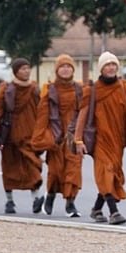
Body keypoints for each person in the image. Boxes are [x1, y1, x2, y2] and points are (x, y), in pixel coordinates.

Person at [73, 51, 126, 225]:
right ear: (101, 69)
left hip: (117, 140)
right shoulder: (91, 90)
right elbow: (82, 117)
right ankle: (114, 212)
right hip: (99, 140)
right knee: (105, 171)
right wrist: (78, 140)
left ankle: (96, 208)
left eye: (113, 64)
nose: (111, 67)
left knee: (114, 174)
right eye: (107, 65)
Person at [0, 57, 44, 214]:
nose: (26, 71)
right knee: (9, 168)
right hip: (10, 136)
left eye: (27, 68)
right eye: (22, 69)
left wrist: (43, 132)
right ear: (16, 72)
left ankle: (36, 199)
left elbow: (42, 111)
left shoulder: (34, 89)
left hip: (29, 136)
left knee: (33, 166)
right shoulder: (7, 90)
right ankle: (9, 201)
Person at [31, 53, 85, 217]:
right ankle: (51, 197)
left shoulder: (79, 89)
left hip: (73, 137)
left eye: (69, 66)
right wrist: (39, 138)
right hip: (56, 136)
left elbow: (84, 113)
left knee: (74, 170)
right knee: (55, 171)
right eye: (62, 67)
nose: (66, 69)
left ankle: (70, 203)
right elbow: (42, 116)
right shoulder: (50, 90)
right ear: (57, 70)